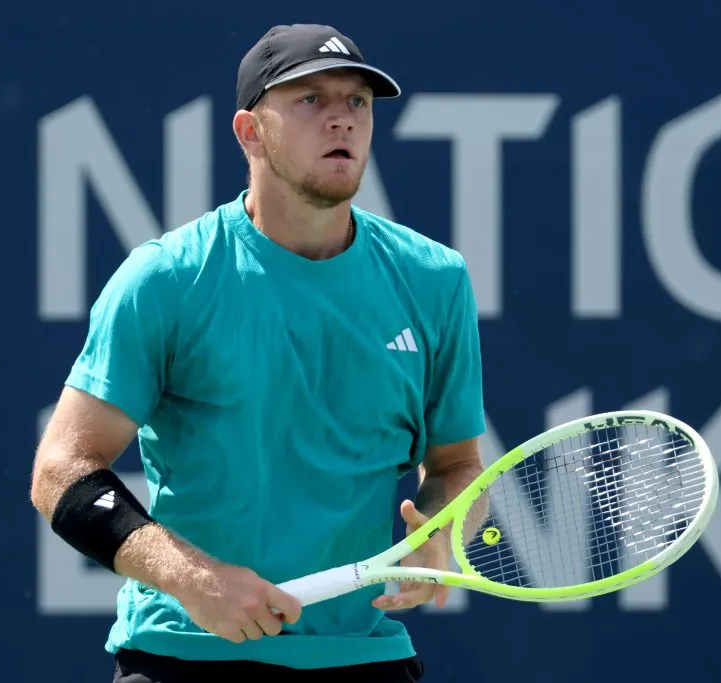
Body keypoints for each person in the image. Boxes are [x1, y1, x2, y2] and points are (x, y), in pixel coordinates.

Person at [29, 22, 486, 683]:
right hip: (182, 657)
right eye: (310, 99)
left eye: (357, 102)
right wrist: (193, 579)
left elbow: (457, 464)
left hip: (361, 657)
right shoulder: (167, 279)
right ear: (250, 132)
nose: (342, 119)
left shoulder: (435, 280)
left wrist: (442, 531)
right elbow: (60, 470)